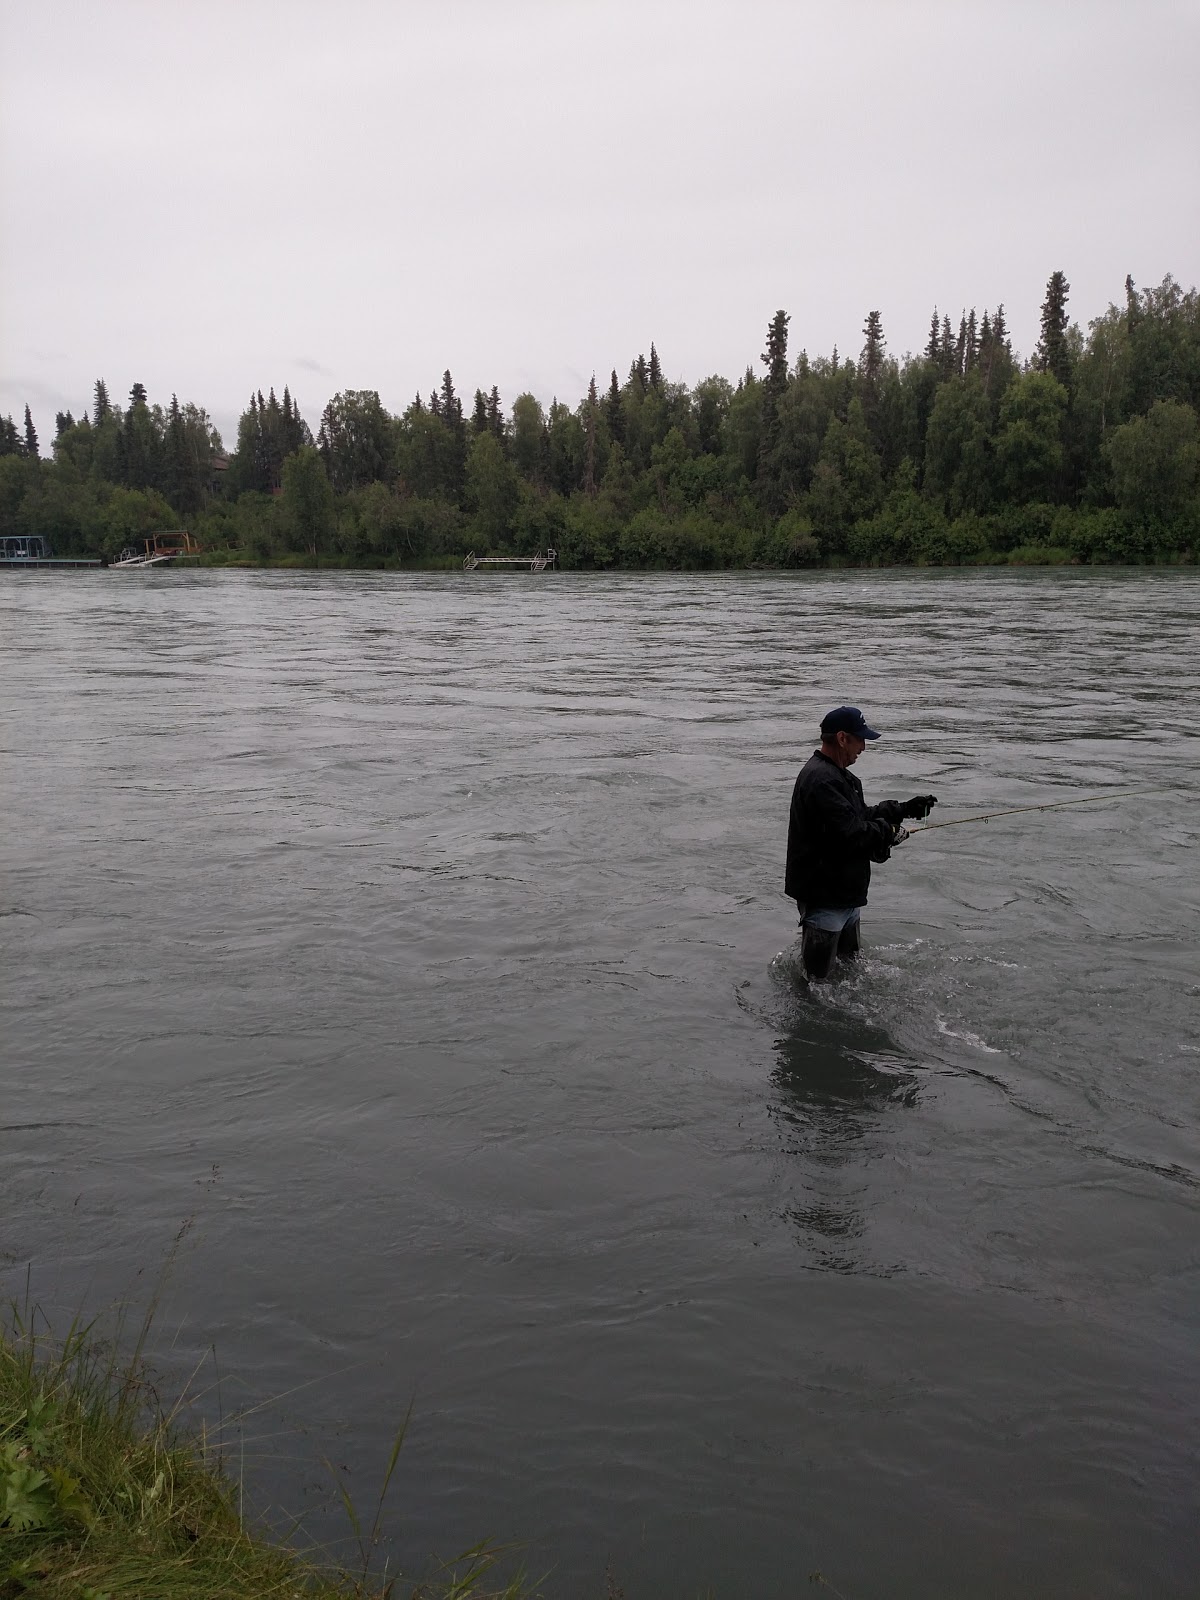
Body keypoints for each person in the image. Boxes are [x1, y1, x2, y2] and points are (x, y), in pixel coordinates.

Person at [785, 706, 937, 980]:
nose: (864, 747)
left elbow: (858, 816)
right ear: (842, 738)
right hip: (825, 899)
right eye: (860, 739)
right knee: (816, 986)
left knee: (848, 973)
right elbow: (852, 833)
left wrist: (903, 809)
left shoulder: (837, 775)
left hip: (846, 896)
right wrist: (890, 832)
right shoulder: (822, 780)